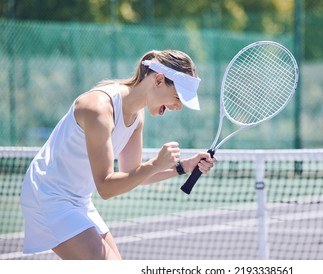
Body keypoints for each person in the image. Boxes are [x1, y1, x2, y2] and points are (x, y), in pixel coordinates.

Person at [20, 49, 216, 259]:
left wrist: (183, 166)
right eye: (177, 97)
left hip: (78, 199)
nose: (178, 107)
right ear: (159, 80)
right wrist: (155, 164)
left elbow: (133, 176)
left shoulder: (137, 116)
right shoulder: (98, 109)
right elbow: (106, 187)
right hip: (48, 195)